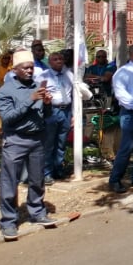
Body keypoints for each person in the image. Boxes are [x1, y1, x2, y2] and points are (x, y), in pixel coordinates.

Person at [0, 50, 58, 241]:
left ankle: (37, 212)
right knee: (9, 181)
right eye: (26, 68)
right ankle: (8, 221)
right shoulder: (6, 91)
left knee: (37, 179)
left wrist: (47, 104)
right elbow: (8, 118)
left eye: (31, 67)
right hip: (15, 139)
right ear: (15, 70)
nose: (30, 71)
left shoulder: (37, 87)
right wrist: (30, 100)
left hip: (37, 139)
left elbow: (45, 116)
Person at [108, 44, 133, 193]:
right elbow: (121, 94)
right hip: (131, 113)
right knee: (127, 147)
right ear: (131, 54)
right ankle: (115, 179)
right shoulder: (122, 72)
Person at [36, 51, 75, 184]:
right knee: (49, 143)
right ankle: (47, 172)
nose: (59, 61)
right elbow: (38, 95)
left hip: (66, 111)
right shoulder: (43, 76)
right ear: (50, 62)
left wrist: (74, 115)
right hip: (51, 111)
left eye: (60, 59)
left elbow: (74, 96)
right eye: (55, 59)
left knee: (61, 142)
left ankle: (58, 169)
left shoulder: (69, 75)